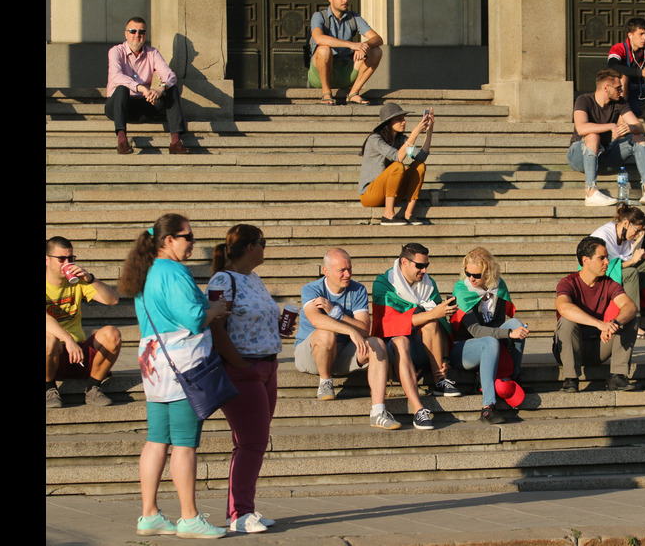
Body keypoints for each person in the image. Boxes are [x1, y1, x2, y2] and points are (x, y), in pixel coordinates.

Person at [118, 213, 229, 539]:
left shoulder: (148, 270)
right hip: (182, 362)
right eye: (188, 237)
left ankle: (149, 513)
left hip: (154, 360)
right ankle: (189, 517)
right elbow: (194, 318)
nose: (193, 242)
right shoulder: (174, 271)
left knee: (156, 439)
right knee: (184, 444)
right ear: (169, 240)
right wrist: (217, 311)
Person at [293, 248, 426, 431]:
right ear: (326, 271)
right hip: (311, 355)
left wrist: (336, 312)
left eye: (349, 269)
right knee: (326, 333)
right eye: (342, 270)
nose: (347, 274)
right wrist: (350, 330)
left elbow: (363, 328)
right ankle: (325, 381)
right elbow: (316, 319)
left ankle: (378, 411)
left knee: (377, 344)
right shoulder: (312, 289)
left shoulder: (357, 289)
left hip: (343, 353)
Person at [207, 225, 281, 534]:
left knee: (251, 442)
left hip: (267, 365)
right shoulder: (223, 280)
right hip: (242, 368)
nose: (265, 248)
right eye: (262, 243)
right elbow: (215, 326)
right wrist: (240, 365)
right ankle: (240, 512)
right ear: (249, 247)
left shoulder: (253, 278)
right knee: (252, 442)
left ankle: (242, 508)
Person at [372, 243, 460, 428]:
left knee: (432, 323)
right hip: (393, 347)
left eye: (426, 265)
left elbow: (440, 323)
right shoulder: (384, 284)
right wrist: (432, 313)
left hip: (423, 345)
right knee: (403, 340)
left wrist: (444, 357)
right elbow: (388, 324)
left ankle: (440, 380)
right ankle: (418, 410)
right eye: (419, 266)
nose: (424, 270)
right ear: (404, 262)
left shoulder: (428, 283)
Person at [450, 248, 531, 424]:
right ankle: (488, 407)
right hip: (462, 349)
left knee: (516, 324)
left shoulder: (498, 285)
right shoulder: (462, 290)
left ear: (489, 273)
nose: (471, 278)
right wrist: (508, 333)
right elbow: (476, 331)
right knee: (491, 340)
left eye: (476, 275)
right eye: (467, 273)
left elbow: (499, 323)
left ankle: (513, 376)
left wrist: (512, 331)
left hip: (490, 343)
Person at [553, 236, 641, 393]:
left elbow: (630, 306)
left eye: (607, 257)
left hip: (598, 346)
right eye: (602, 258)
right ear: (585, 260)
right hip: (569, 348)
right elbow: (564, 307)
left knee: (631, 319)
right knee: (567, 321)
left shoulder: (608, 283)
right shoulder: (568, 282)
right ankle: (571, 378)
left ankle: (617, 377)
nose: (607, 262)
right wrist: (599, 324)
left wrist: (615, 323)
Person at [46, 236, 122, 408]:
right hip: (53, 354)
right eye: (61, 259)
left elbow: (112, 300)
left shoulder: (78, 281)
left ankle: (93, 387)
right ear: (47, 260)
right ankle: (48, 389)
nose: (67, 263)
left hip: (78, 354)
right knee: (48, 339)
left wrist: (91, 279)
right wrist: (67, 339)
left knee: (112, 333)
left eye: (71, 258)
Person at [568, 68, 645, 208]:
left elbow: (640, 127)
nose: (621, 91)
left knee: (638, 137)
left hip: (605, 155)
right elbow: (581, 128)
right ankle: (591, 192)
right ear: (605, 88)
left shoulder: (620, 102)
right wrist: (610, 126)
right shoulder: (584, 100)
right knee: (592, 135)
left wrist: (631, 128)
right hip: (579, 155)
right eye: (618, 88)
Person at [105, 17, 189, 155]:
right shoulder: (116, 51)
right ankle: (122, 141)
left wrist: (160, 88)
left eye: (141, 32)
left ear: (146, 35)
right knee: (121, 88)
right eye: (133, 31)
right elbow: (116, 76)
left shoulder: (152, 53)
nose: (137, 35)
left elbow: (170, 75)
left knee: (171, 89)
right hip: (118, 107)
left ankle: (175, 142)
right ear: (126, 34)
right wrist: (141, 88)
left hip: (144, 105)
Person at [589, 204, 645, 340]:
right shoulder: (604, 235)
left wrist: (639, 254)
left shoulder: (625, 236)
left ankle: (631, 302)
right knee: (631, 272)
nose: (637, 235)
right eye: (637, 231)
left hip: (614, 271)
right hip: (599, 274)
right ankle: (633, 321)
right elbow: (607, 267)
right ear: (626, 223)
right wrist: (633, 261)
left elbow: (624, 259)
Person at [358, 103, 434, 225]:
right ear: (388, 123)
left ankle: (408, 214)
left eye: (403, 118)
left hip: (391, 193)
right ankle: (388, 215)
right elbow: (398, 157)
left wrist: (429, 131)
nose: (403, 122)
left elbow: (421, 157)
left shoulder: (400, 140)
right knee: (397, 166)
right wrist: (415, 133)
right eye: (399, 119)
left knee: (419, 166)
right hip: (370, 195)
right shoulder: (375, 139)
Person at [309, 0, 384, 105]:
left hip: (346, 72)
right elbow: (319, 38)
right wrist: (352, 45)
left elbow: (378, 39)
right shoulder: (319, 16)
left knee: (376, 51)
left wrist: (363, 46)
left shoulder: (354, 17)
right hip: (320, 75)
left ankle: (353, 93)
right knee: (323, 49)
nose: (345, 0)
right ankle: (326, 93)